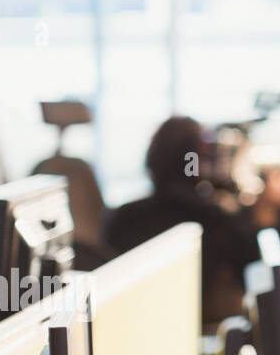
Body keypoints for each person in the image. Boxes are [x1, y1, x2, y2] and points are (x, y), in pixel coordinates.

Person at [107, 116, 259, 329]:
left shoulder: (124, 217)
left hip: (133, 331)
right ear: (199, 160)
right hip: (197, 335)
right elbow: (256, 274)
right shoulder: (216, 219)